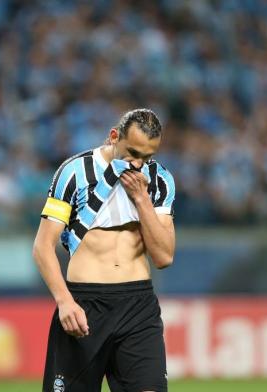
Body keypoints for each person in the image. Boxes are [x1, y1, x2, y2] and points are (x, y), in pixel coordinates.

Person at [33, 108, 175, 392]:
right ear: (114, 137)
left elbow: (163, 257)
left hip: (138, 307)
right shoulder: (74, 172)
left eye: (147, 157)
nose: (138, 164)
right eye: (132, 153)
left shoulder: (159, 180)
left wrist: (141, 198)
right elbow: (43, 246)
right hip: (84, 306)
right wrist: (65, 302)